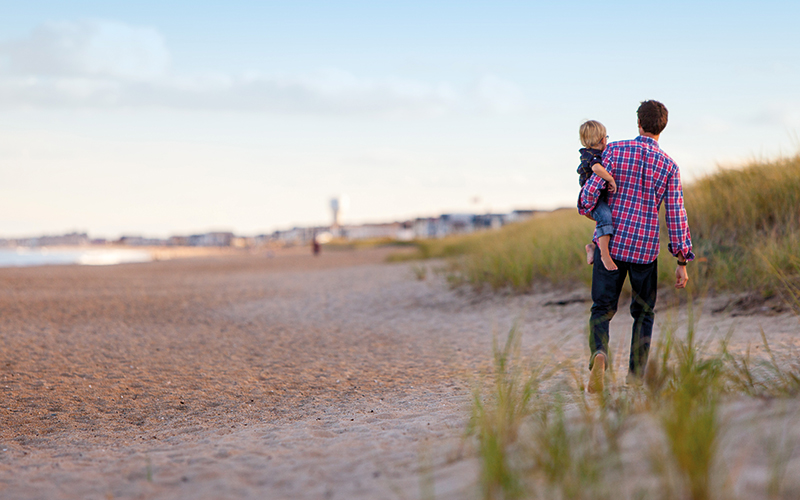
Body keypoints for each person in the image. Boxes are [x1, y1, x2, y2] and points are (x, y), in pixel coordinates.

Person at [579, 100, 694, 393]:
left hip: (612, 246)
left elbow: (589, 195)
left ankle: (600, 354)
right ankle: (635, 378)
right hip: (644, 250)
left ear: (638, 123)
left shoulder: (614, 151)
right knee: (643, 314)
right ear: (662, 126)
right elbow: (676, 214)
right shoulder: (669, 166)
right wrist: (682, 261)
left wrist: (589, 208)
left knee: (601, 310)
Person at [577, 120, 618, 272]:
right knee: (605, 217)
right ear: (602, 139)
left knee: (603, 220)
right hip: (591, 199)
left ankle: (593, 246)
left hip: (596, 197)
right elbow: (596, 168)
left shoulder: (589, 153)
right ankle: (604, 255)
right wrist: (610, 178)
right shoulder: (592, 156)